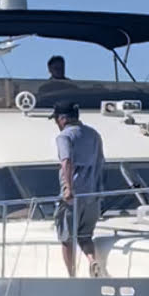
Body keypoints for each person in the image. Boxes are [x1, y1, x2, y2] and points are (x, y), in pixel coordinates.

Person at [53, 104, 105, 277]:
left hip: (73, 195)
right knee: (85, 235)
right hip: (93, 193)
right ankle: (92, 260)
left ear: (62, 119)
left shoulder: (64, 136)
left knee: (67, 239)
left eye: (56, 119)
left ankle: (72, 275)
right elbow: (101, 161)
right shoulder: (94, 134)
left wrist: (68, 188)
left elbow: (66, 161)